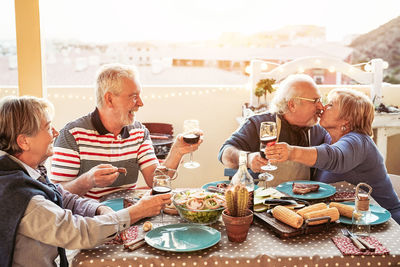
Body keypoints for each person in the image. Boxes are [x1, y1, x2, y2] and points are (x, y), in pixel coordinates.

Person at [0, 96, 171, 266]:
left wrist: (99, 209)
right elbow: (79, 232)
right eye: (47, 127)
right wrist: (137, 211)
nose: (55, 132)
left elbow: (63, 197)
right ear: (24, 141)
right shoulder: (20, 195)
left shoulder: (24, 171)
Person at [51, 63, 202, 199]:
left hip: (129, 216)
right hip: (90, 221)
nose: (141, 103)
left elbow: (155, 181)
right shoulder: (71, 135)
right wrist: (87, 181)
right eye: (134, 96)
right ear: (109, 99)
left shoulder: (139, 132)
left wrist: (177, 152)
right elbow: (56, 194)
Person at [266, 88, 400, 224]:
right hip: (347, 219)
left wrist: (291, 152)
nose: (323, 107)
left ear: (346, 120)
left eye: (330, 105)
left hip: (382, 221)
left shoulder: (358, 142)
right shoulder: (329, 136)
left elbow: (335, 157)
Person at [218, 74, 328, 185]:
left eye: (320, 100)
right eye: (315, 101)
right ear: (292, 105)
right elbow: (224, 153)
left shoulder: (318, 131)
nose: (321, 106)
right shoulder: (258, 123)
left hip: (302, 200)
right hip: (262, 199)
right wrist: (248, 159)